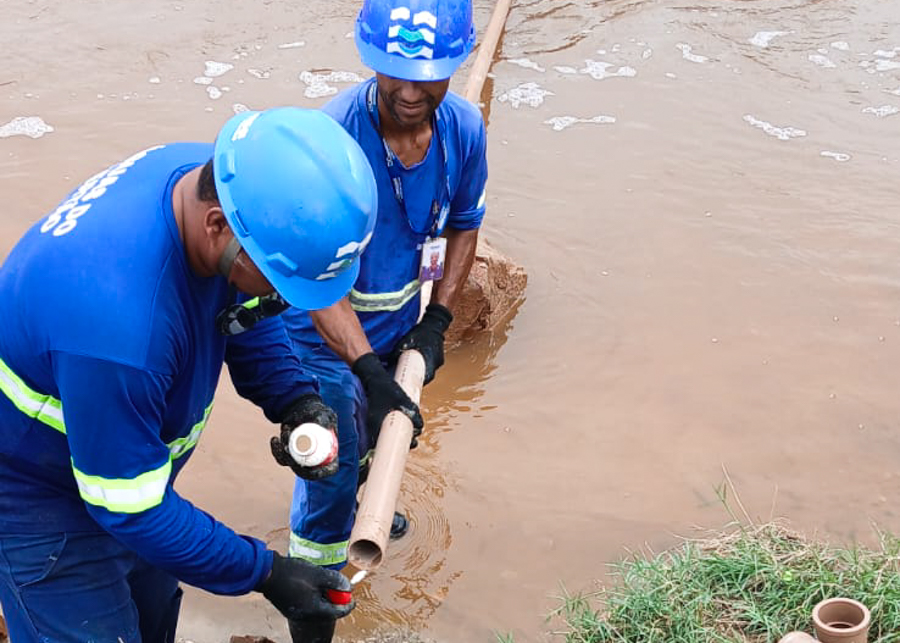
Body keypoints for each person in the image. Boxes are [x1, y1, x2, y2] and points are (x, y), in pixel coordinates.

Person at [0, 107, 378, 643]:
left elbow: (243, 303)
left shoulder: (202, 180)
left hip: (127, 458)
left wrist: (294, 399)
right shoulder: (118, 326)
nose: (281, 300)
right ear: (217, 227)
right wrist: (266, 573)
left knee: (154, 618)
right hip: (38, 497)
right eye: (278, 280)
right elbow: (133, 507)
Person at [278, 0, 487, 636]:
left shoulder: (465, 130)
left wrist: (439, 319)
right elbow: (313, 281)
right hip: (319, 327)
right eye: (394, 71)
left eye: (427, 73)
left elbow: (465, 227)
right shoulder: (334, 137)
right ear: (370, 60)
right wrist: (366, 365)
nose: (409, 89)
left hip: (399, 318)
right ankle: (312, 593)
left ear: (456, 65)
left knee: (373, 431)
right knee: (332, 461)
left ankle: (365, 494)